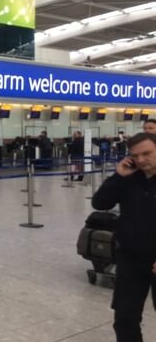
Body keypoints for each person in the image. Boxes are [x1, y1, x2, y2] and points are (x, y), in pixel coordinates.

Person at [92, 132, 156, 342]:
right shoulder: (129, 178)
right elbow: (100, 203)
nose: (141, 160)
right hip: (130, 258)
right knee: (125, 319)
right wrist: (118, 176)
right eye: (135, 155)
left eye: (146, 153)